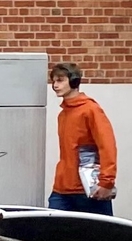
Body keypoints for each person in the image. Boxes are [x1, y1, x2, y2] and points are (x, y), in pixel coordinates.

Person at [48, 62, 116, 215]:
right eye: (53, 81)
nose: (55, 85)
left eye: (60, 80)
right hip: (62, 188)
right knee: (52, 233)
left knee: (97, 236)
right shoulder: (63, 114)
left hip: (89, 189)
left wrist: (107, 182)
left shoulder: (91, 110)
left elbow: (107, 146)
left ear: (74, 81)